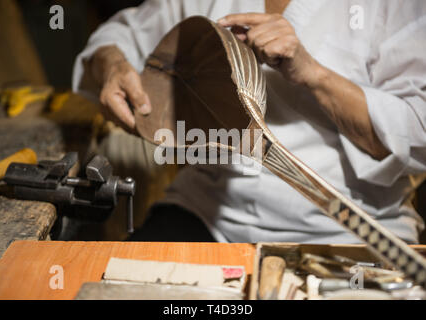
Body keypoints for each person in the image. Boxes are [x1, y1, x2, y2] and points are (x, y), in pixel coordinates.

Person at [73, 0, 426, 244]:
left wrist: (314, 74)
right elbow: (119, 34)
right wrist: (111, 65)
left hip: (345, 227)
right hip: (209, 210)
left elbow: (418, 132)